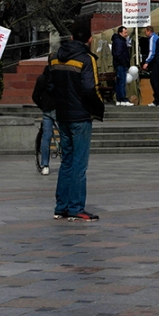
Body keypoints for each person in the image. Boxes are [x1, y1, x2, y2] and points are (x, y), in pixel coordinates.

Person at [52, 26, 105, 222]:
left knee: (66, 162)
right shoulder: (86, 58)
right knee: (79, 164)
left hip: (62, 114)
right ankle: (76, 207)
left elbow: (50, 85)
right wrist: (99, 108)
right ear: (89, 40)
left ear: (72, 37)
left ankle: (61, 206)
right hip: (80, 116)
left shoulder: (55, 57)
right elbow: (91, 88)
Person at [32, 53, 60, 175]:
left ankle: (45, 165)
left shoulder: (42, 78)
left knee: (46, 137)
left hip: (47, 110)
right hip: (60, 110)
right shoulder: (61, 77)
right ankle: (66, 161)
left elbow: (35, 96)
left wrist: (42, 105)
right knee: (65, 135)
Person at [141, 26, 159, 106]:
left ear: (148, 31)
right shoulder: (158, 38)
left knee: (154, 80)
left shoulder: (152, 38)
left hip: (155, 62)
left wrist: (147, 62)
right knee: (155, 80)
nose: (145, 33)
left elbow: (152, 52)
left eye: (145, 31)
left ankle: (157, 100)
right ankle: (158, 99)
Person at [111, 26, 131, 106]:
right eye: (125, 32)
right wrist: (124, 62)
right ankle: (123, 99)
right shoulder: (119, 41)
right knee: (122, 82)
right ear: (120, 33)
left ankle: (119, 99)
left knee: (119, 82)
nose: (126, 34)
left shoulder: (118, 41)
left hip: (119, 64)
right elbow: (118, 54)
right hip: (121, 64)